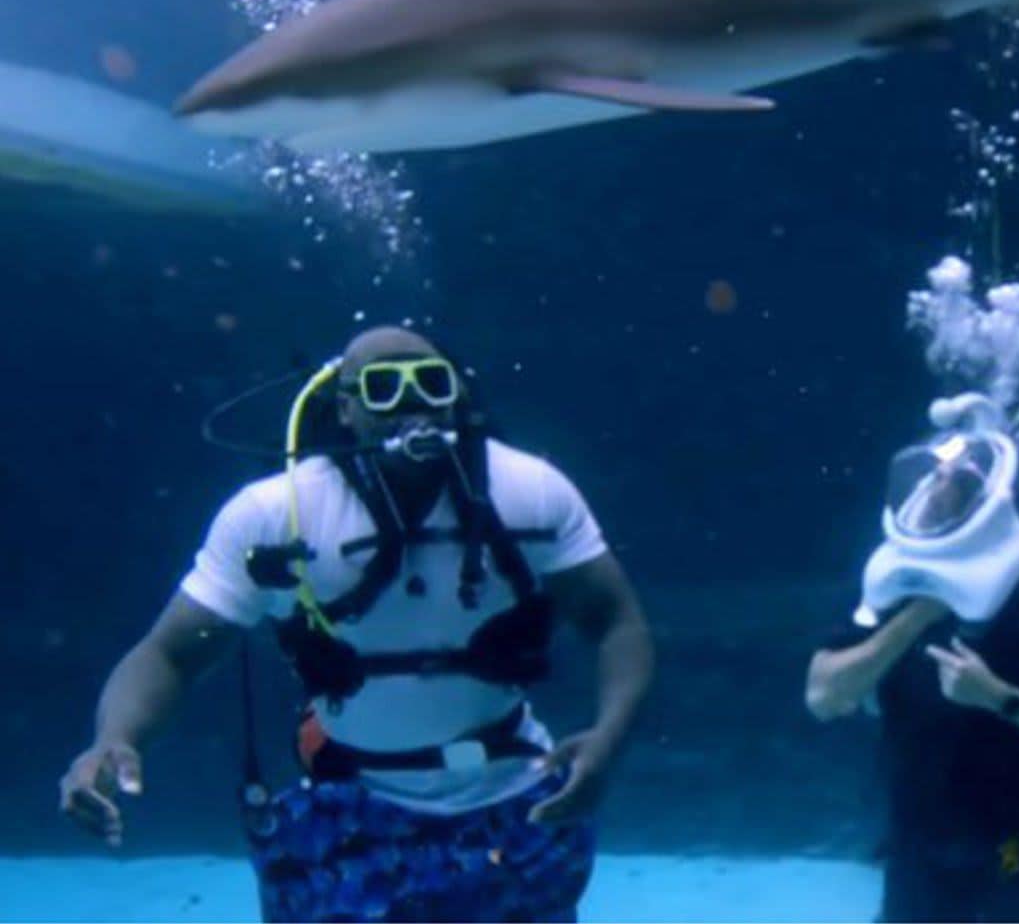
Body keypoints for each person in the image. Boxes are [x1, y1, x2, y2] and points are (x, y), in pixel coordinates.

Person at [60, 325, 654, 923]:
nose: (411, 403)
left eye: (430, 382)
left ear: (460, 397)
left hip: (511, 796)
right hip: (351, 806)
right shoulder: (277, 516)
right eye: (382, 388)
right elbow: (171, 655)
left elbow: (615, 621)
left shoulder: (531, 493)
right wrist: (114, 740)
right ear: (344, 407)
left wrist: (611, 736)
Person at [805, 393, 1019, 923]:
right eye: (935, 475)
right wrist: (913, 620)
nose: (937, 486)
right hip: (917, 837)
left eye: (956, 479)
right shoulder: (887, 584)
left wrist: (997, 697)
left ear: (983, 494)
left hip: (1015, 838)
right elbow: (823, 695)